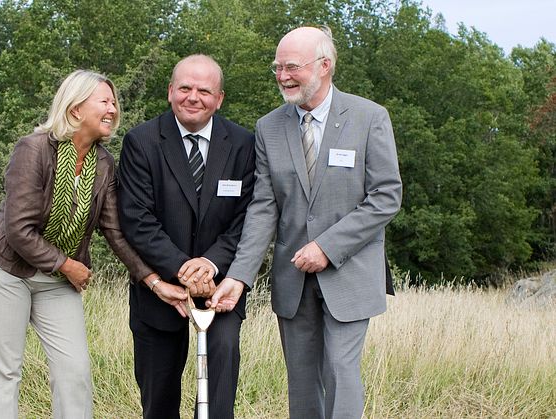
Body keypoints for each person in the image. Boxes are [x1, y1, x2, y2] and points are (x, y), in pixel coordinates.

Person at [209, 26, 403, 418]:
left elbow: (386, 197)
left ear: (325, 65)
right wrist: (238, 276)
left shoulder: (370, 117)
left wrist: (327, 248)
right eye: (277, 67)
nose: (282, 76)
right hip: (292, 280)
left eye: (291, 66)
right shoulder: (269, 127)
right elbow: (264, 207)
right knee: (300, 382)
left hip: (351, 273)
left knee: (341, 372)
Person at [0, 69, 160, 419]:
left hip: (57, 281)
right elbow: (18, 229)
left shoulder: (103, 163)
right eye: (104, 101)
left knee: (74, 371)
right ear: (75, 109)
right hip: (6, 269)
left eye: (114, 102)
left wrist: (152, 279)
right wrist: (66, 265)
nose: (113, 109)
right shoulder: (34, 149)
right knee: (4, 373)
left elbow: (114, 231)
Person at [117, 54, 256, 419]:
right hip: (161, 292)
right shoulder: (141, 142)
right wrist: (183, 269)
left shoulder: (243, 144)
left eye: (204, 90)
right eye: (185, 88)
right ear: (170, 92)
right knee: (159, 401)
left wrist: (210, 266)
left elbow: (248, 218)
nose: (193, 97)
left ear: (220, 98)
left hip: (221, 293)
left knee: (217, 401)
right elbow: (136, 218)